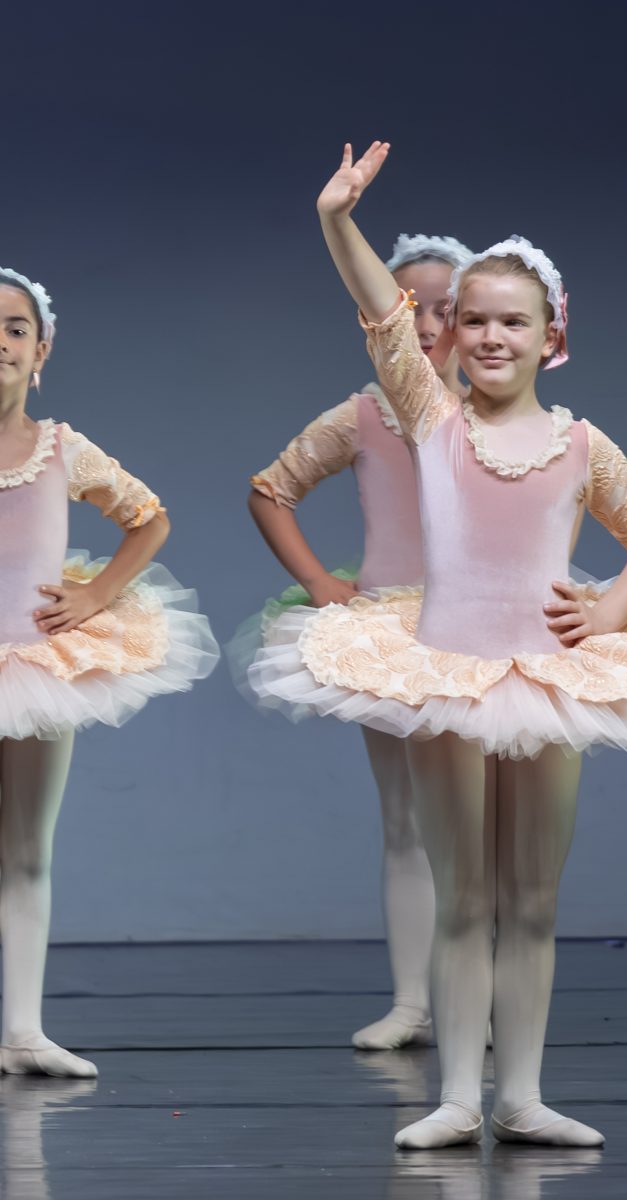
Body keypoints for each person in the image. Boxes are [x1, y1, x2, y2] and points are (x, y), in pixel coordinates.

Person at [250, 143, 627, 1149]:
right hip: (447, 672)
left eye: (511, 321)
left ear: (550, 334)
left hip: (548, 680)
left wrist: (609, 614)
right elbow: (382, 314)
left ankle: (520, 1096)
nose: (486, 335)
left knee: (531, 896)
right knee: (462, 893)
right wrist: (336, 218)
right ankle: (453, 1099)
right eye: (471, 318)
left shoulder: (581, 445)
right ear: (447, 333)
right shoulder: (429, 419)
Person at [230, 234, 473, 1050]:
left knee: (476, 826)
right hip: (388, 634)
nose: (427, 326)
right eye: (405, 309)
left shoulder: (493, 417)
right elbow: (272, 490)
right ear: (375, 317)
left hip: (481, 631)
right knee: (405, 818)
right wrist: (319, 581)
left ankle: (476, 998)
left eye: (444, 310)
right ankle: (412, 1002)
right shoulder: (365, 415)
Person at [0, 268, 219, 1077]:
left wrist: (97, 594)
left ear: (41, 352)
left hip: (37, 664)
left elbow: (148, 518)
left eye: (16, 328)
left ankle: (23, 1030)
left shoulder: (61, 449)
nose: (0, 341)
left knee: (28, 847)